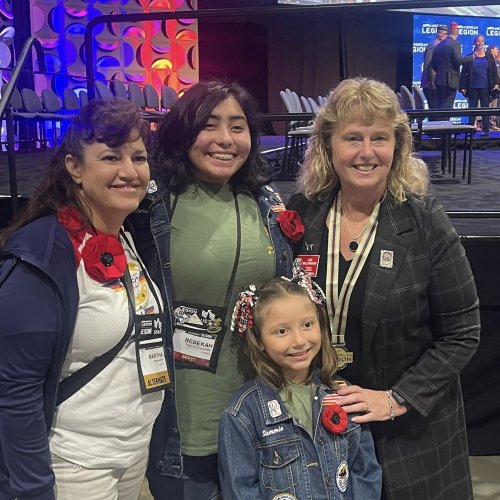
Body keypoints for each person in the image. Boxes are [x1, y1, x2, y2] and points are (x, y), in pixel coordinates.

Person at [287, 77, 480, 499]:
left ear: (398, 145)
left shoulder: (424, 220)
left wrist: (397, 399)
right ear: (327, 143)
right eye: (352, 137)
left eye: (379, 137)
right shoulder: (303, 213)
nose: (366, 152)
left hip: (409, 435)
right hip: (317, 422)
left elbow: (463, 332)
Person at [126, 79, 294, 499]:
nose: (225, 140)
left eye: (238, 127)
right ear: (184, 132)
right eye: (209, 125)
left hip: (260, 414)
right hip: (181, 421)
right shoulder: (147, 205)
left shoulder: (266, 200)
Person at [0, 98, 168, 500]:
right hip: (73, 465)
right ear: (75, 167)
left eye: (139, 157)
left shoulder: (129, 234)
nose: (129, 171)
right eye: (111, 157)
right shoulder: (42, 253)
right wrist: (32, 487)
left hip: (131, 454)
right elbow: (14, 388)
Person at [218, 262, 382, 499]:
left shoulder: (343, 395)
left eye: (307, 325)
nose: (299, 341)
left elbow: (365, 472)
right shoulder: (242, 413)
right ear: (259, 340)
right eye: (281, 331)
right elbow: (240, 490)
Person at [460, 35, 500, 137]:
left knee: (485, 109)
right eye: (478, 41)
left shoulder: (489, 56)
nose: (480, 43)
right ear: (474, 43)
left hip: (486, 87)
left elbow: (494, 71)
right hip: (472, 87)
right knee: (472, 109)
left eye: (482, 41)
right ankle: (470, 130)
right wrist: (463, 86)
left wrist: (496, 83)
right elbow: (464, 73)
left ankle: (485, 131)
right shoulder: (470, 57)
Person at [431, 21, 475, 111]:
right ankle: (446, 125)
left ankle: (439, 125)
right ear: (457, 31)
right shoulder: (455, 44)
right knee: (447, 108)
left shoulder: (439, 45)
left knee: (440, 108)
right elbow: (459, 60)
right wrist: (473, 56)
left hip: (439, 80)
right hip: (450, 81)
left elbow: (433, 64)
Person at [421, 25, 448, 110]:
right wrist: (431, 81)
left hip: (435, 83)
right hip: (432, 84)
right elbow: (427, 65)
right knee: (434, 109)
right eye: (447, 35)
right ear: (442, 35)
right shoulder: (433, 46)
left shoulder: (438, 46)